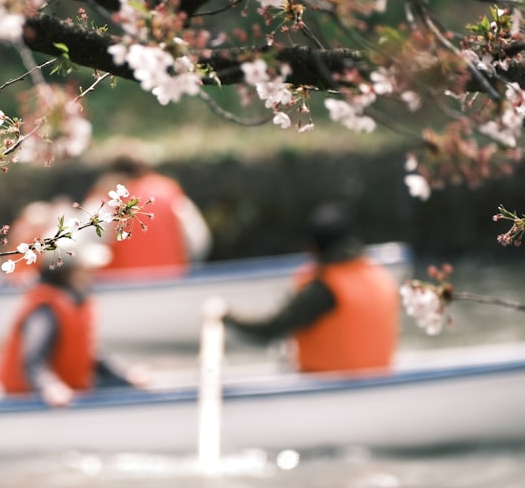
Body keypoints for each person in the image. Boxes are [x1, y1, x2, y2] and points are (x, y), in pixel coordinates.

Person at [223, 204, 400, 373]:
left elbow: (269, 331)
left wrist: (227, 317)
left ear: (313, 248)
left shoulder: (322, 289)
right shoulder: (380, 276)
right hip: (378, 379)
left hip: (334, 385)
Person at [0, 233, 143, 406]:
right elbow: (33, 360)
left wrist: (126, 376)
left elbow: (90, 355)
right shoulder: (45, 309)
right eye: (85, 270)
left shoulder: (74, 302)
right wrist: (50, 387)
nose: (91, 275)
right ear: (68, 273)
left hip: (67, 393)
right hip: (25, 399)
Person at [84, 147, 211, 277]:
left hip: (118, 289)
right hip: (171, 285)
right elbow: (198, 243)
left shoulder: (104, 202)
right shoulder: (171, 197)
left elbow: (82, 249)